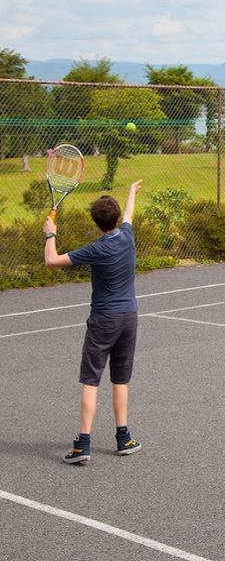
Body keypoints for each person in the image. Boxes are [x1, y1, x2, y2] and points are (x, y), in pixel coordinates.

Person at [43, 180, 144, 464]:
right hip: (129, 318)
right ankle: (123, 438)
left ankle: (83, 444)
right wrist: (131, 192)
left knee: (91, 380)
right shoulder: (127, 236)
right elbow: (129, 215)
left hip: (103, 320)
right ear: (114, 219)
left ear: (97, 223)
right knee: (120, 380)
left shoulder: (95, 249)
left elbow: (51, 261)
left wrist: (50, 234)